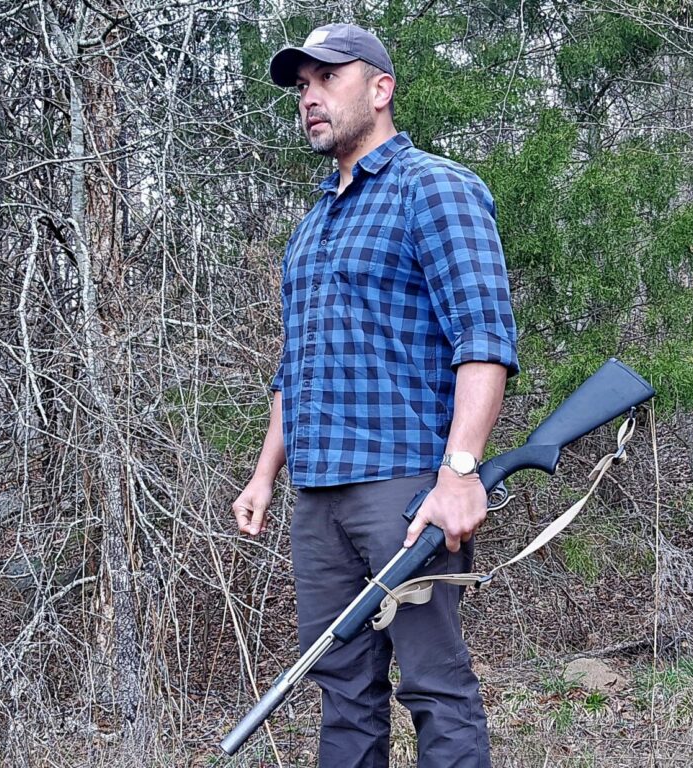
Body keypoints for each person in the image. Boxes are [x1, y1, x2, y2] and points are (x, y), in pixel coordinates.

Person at [231, 22, 518, 768]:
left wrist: (459, 471)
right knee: (342, 689)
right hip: (318, 494)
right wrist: (266, 473)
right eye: (302, 87)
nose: (311, 99)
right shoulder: (312, 226)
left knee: (434, 686)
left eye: (328, 78)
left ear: (381, 89)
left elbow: (484, 340)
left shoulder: (436, 189)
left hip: (404, 490)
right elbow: (297, 367)